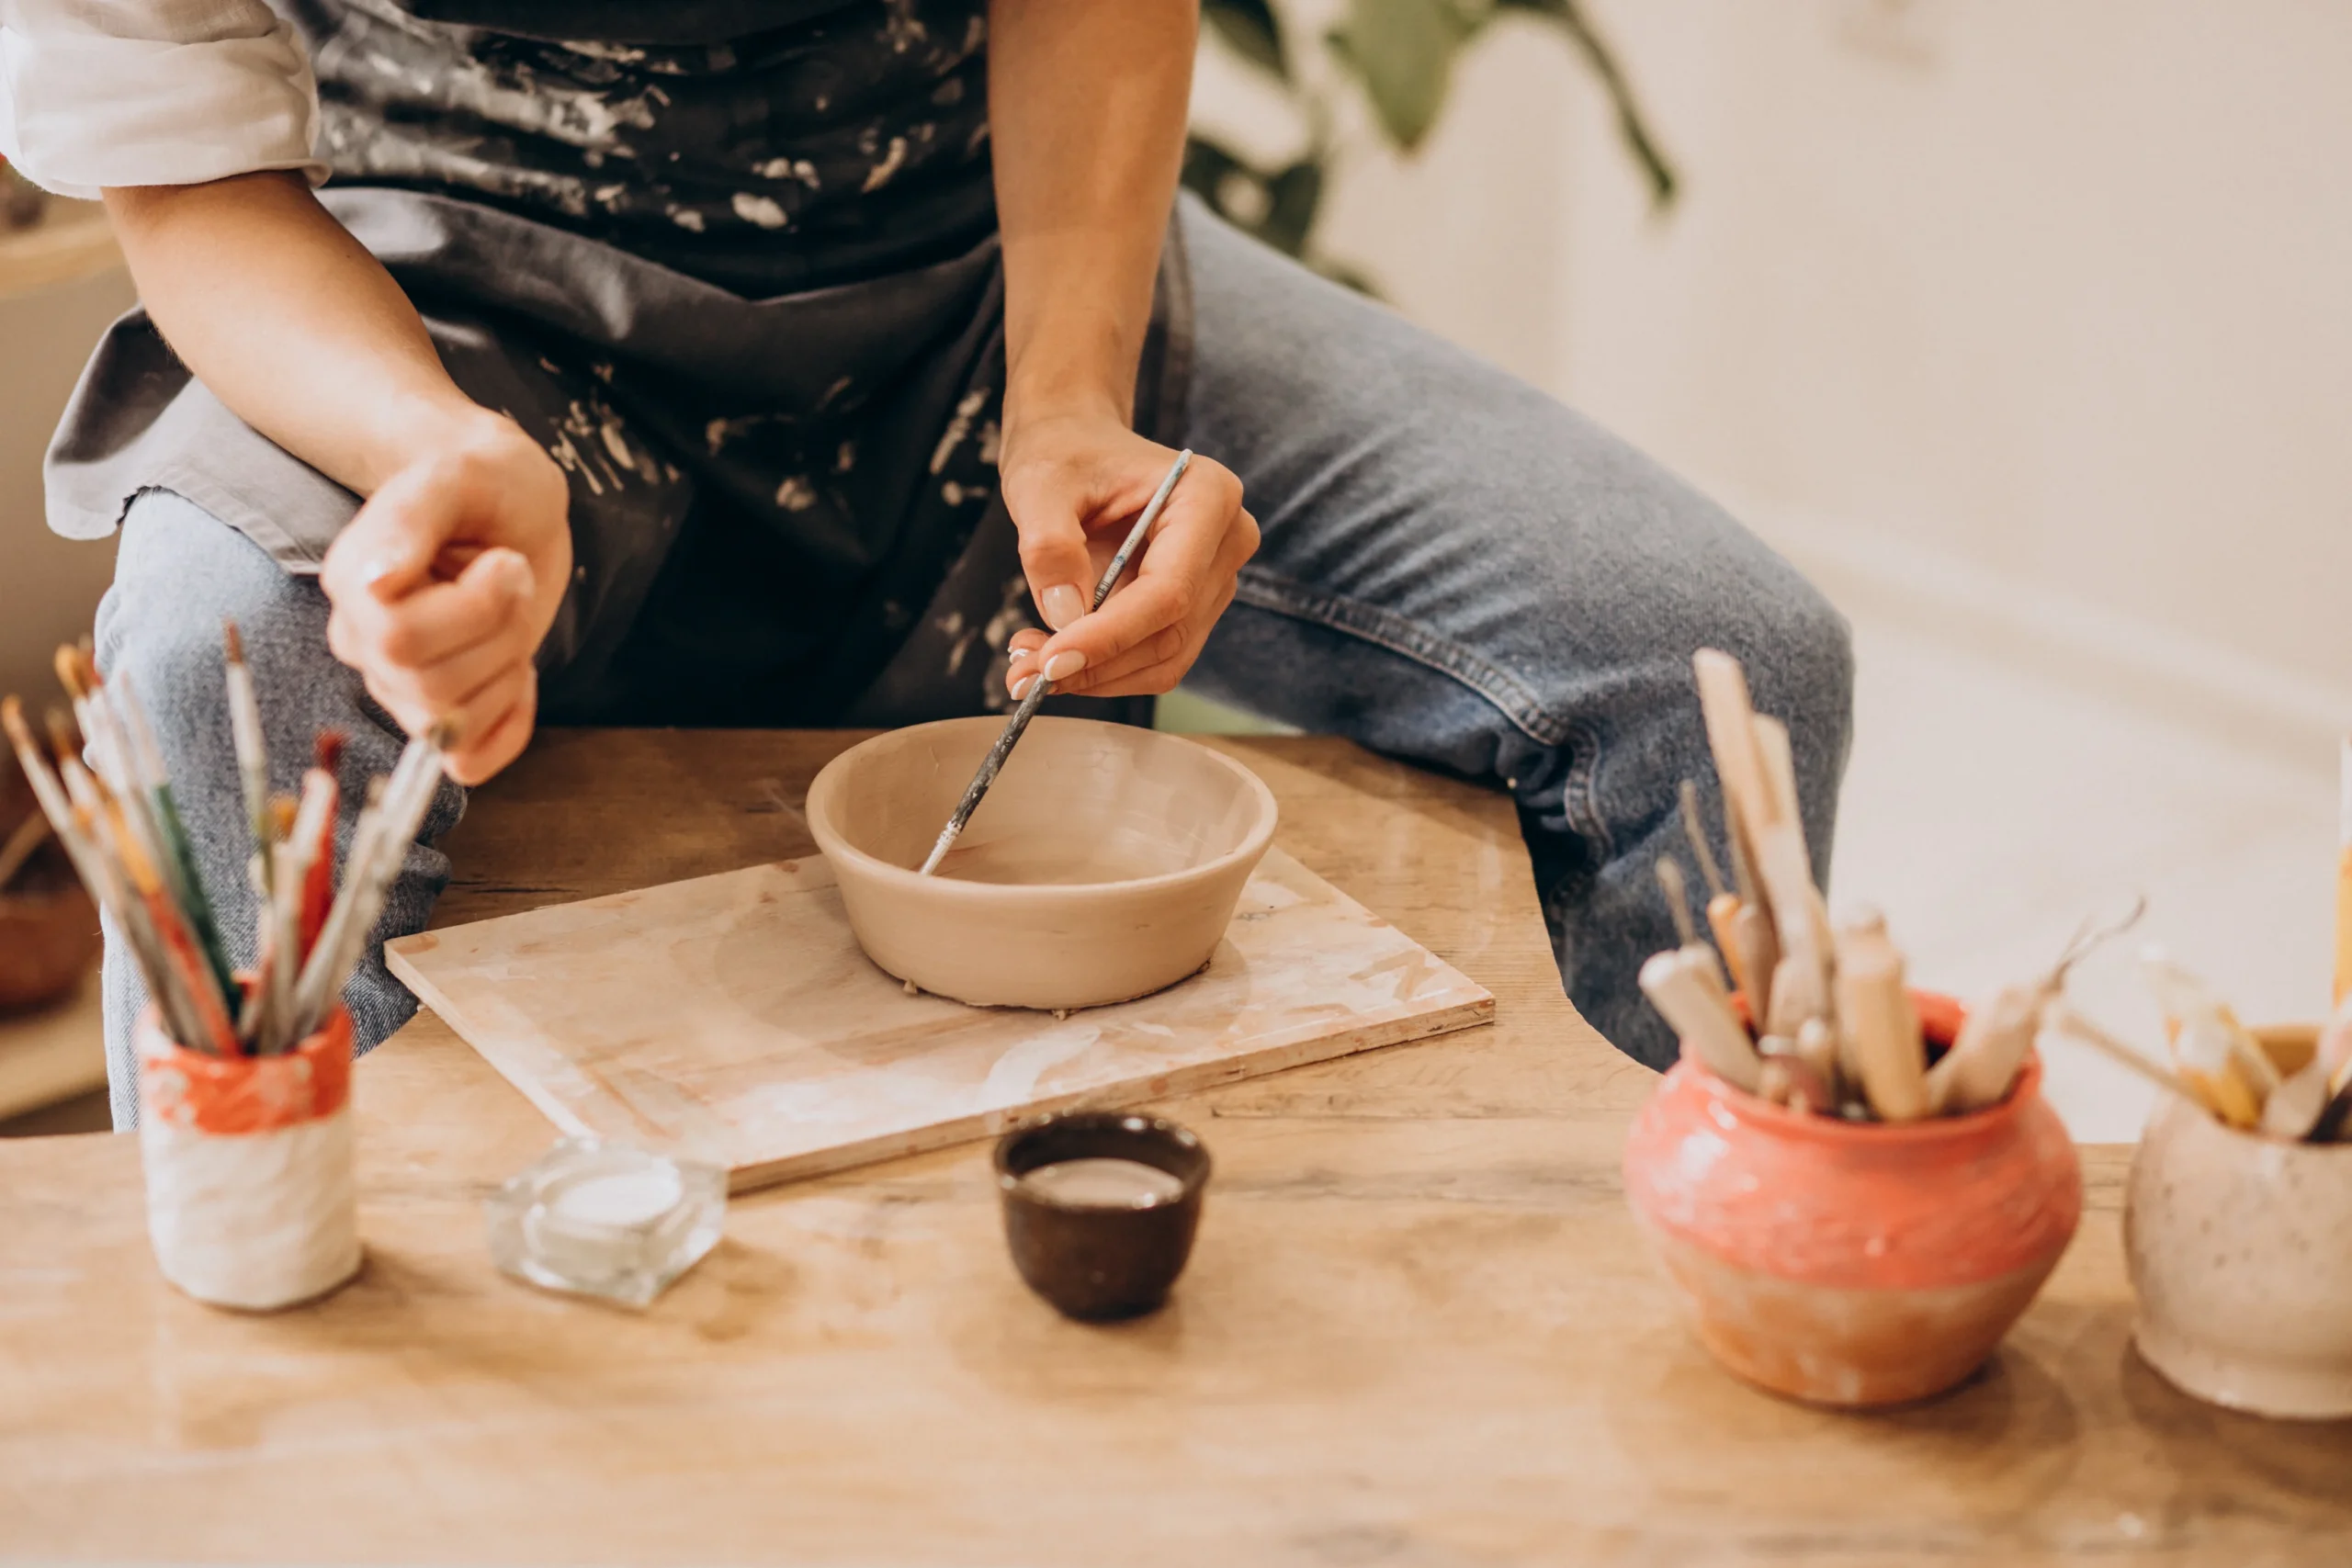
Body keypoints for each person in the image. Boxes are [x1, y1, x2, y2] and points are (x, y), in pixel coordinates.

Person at [1, 0, 1852, 1128]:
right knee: (211, 681)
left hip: (985, 258)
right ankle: (369, 1438)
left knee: (1713, 668)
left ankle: (1628, 1346)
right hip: (439, 310)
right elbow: (188, 178)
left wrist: (1068, 397)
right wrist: (430, 456)